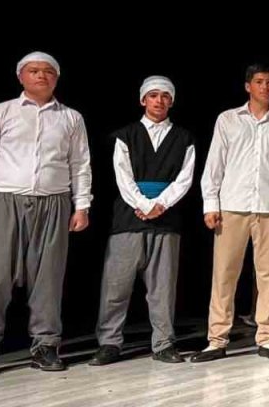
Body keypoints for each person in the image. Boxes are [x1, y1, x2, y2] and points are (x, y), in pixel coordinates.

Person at [0, 52, 93, 377]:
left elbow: (80, 165)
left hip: (54, 203)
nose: (41, 75)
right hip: (4, 201)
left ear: (57, 78)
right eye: (33, 70)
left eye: (48, 71)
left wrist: (82, 206)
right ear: (20, 76)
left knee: (48, 279)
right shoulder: (0, 112)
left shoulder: (71, 118)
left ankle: (45, 345)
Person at [192, 64, 269, 362]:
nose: (265, 87)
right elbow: (214, 163)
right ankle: (217, 339)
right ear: (247, 86)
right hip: (232, 206)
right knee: (224, 274)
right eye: (259, 81)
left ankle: (267, 337)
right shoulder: (228, 119)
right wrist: (210, 203)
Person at [90, 76, 195, 366]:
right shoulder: (125, 135)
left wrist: (160, 205)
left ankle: (163, 343)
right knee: (116, 286)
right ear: (143, 100)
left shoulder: (184, 138)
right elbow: (122, 176)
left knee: (163, 288)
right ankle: (109, 343)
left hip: (167, 218)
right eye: (153, 95)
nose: (159, 100)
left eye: (165, 96)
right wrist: (144, 205)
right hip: (129, 217)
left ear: (172, 101)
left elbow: (184, 179)